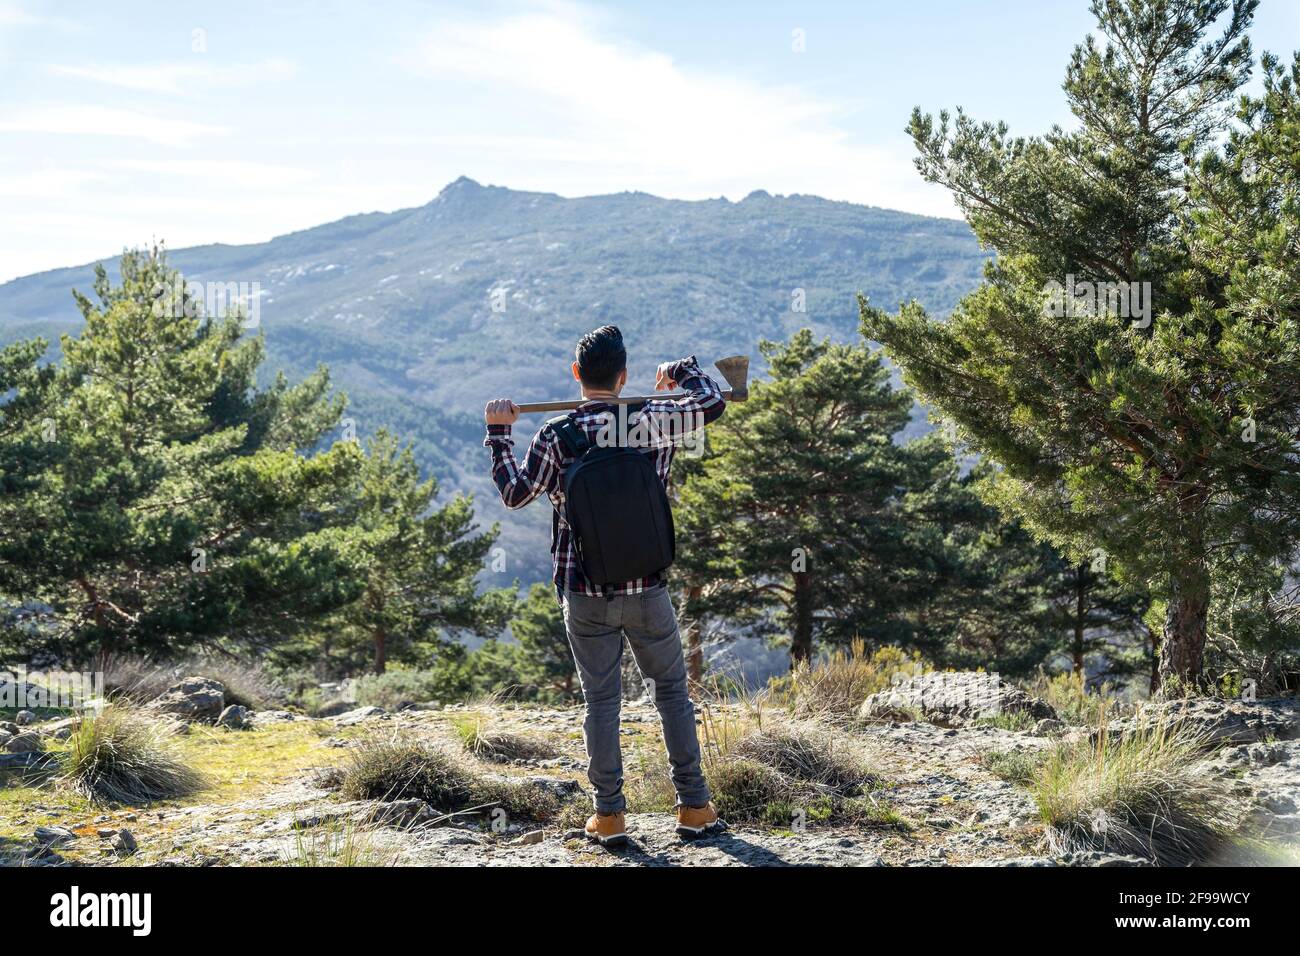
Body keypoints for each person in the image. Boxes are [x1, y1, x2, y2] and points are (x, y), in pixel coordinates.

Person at [483, 325, 727, 846]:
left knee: (602, 701)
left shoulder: (555, 435)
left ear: (577, 375)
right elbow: (710, 404)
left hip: (584, 591)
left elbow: (514, 494)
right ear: (624, 376)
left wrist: (500, 432)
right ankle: (694, 808)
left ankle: (611, 817)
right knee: (672, 695)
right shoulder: (653, 420)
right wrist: (681, 371)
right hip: (648, 588)